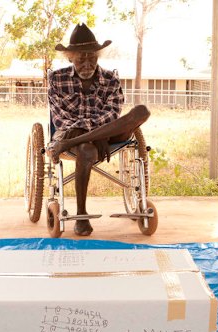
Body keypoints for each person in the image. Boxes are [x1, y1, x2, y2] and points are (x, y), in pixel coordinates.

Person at [48, 23, 150, 236]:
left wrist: (102, 133)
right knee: (86, 149)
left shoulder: (111, 79)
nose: (87, 63)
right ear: (70, 58)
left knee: (142, 111)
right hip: (76, 136)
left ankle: (70, 144)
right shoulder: (57, 79)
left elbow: (112, 113)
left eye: (92, 57)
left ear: (98, 56)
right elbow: (62, 119)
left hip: (105, 135)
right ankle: (82, 215)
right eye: (81, 58)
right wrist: (97, 136)